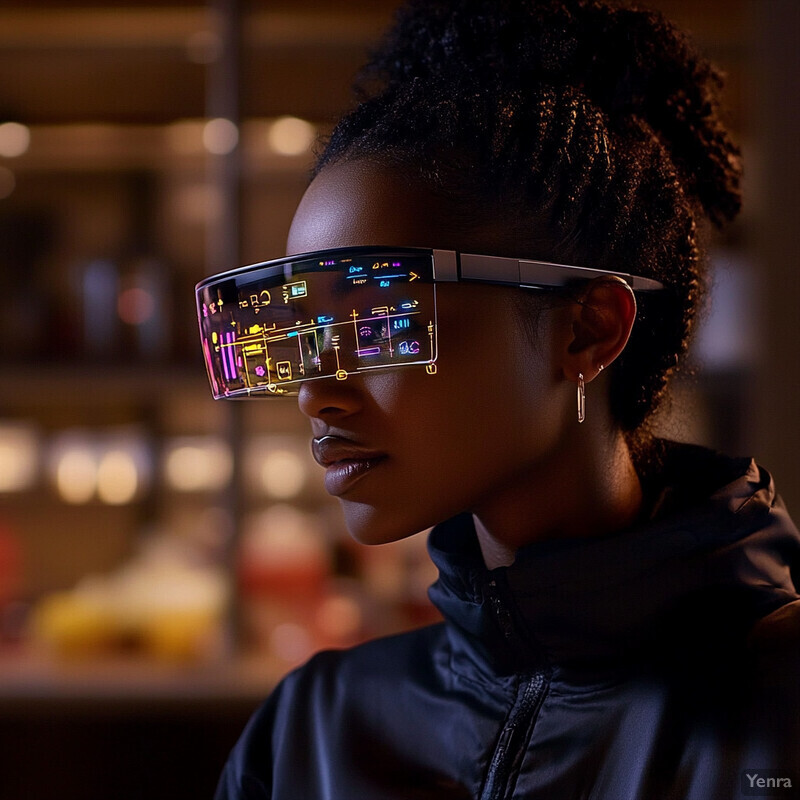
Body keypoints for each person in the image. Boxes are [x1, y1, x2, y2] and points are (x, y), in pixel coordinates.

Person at [207, 0, 800, 797]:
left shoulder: (778, 714)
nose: (317, 394)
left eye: (379, 325)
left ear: (588, 330)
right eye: (303, 334)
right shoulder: (314, 730)